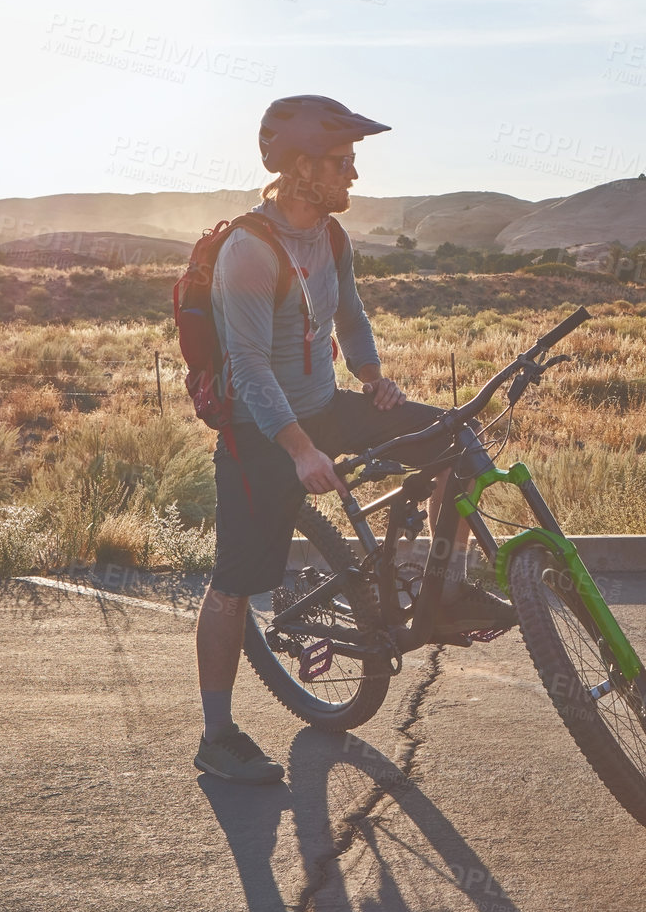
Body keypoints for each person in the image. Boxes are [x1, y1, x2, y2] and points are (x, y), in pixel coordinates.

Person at [193, 95, 514, 784]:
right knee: (234, 585)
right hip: (262, 434)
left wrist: (371, 377)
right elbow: (248, 369)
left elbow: (351, 314)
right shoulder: (249, 252)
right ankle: (217, 736)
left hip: (326, 406)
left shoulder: (331, 238)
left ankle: (446, 590)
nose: (354, 177)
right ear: (302, 167)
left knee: (450, 440)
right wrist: (299, 448)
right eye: (343, 163)